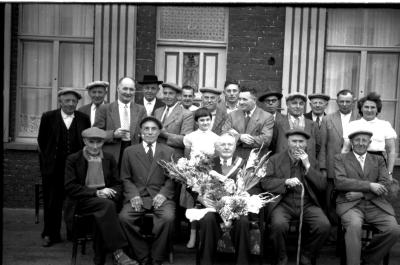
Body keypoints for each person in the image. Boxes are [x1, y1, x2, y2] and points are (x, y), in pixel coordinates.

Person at [64, 127, 137, 265]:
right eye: (91, 142)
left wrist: (109, 191)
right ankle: (118, 251)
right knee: (106, 207)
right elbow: (70, 187)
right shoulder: (73, 159)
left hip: (104, 201)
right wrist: (96, 193)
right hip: (81, 201)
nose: (95, 146)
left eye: (99, 142)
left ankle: (99, 258)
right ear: (84, 141)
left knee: (102, 211)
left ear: (103, 142)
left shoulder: (109, 158)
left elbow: (118, 184)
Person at [261, 129, 330, 265]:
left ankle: (307, 254)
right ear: (288, 142)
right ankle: (281, 257)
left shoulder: (312, 161)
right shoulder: (275, 159)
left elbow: (322, 186)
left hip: (307, 204)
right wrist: (284, 182)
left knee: (324, 225)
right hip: (282, 204)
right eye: (294, 141)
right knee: (278, 225)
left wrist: (308, 166)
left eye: (301, 142)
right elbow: (265, 182)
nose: (297, 145)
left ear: (306, 144)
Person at [334, 127, 400, 265]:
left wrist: (362, 194)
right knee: (354, 225)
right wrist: (370, 186)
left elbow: (385, 184)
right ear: (351, 142)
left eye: (364, 140)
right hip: (349, 204)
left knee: (394, 230)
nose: (361, 143)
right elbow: (340, 182)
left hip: (375, 204)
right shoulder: (340, 158)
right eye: (357, 140)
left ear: (369, 143)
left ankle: (368, 258)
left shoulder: (378, 159)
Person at [119, 117, 176, 265]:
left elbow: (172, 178)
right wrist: (133, 195)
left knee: (168, 218)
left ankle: (157, 257)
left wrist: (163, 194)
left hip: (160, 196)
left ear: (159, 132)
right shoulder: (129, 151)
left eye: (154, 129)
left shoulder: (169, 151)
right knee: (124, 219)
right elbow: (125, 178)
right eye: (146, 129)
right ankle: (142, 254)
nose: (150, 132)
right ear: (140, 131)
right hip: (138, 196)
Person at [197, 132, 261, 265]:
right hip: (213, 208)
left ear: (234, 147)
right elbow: (195, 185)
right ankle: (206, 261)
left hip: (237, 208)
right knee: (208, 220)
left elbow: (252, 187)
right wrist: (201, 198)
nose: (226, 147)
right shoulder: (208, 164)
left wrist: (241, 200)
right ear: (217, 147)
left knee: (243, 221)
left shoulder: (244, 164)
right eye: (223, 144)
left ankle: (242, 262)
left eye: (230, 144)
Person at [37, 88, 91, 247]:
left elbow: (86, 141)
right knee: (52, 201)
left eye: (74, 101)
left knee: (74, 200)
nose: (70, 104)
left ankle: (74, 233)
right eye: (67, 100)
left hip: (75, 168)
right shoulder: (48, 117)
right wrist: (48, 163)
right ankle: (50, 234)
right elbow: (42, 141)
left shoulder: (83, 118)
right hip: (53, 168)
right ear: (60, 101)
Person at [318, 89, 358, 224]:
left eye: (348, 101)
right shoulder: (327, 119)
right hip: (332, 167)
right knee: (330, 201)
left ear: (353, 102)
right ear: (337, 102)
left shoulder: (360, 119)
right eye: (341, 101)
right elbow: (322, 145)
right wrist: (323, 168)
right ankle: (332, 234)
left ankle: (346, 231)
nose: (344, 104)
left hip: (353, 168)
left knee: (349, 201)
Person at [182, 107, 220, 248]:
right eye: (202, 120)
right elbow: (187, 157)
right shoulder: (190, 137)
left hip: (209, 176)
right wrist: (191, 173)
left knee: (207, 203)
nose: (205, 122)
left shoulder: (216, 138)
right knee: (193, 205)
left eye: (208, 120)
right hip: (193, 176)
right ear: (197, 122)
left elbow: (216, 159)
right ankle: (192, 236)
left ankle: (206, 237)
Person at [94, 77, 147, 167]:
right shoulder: (105, 109)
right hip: (112, 155)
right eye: (125, 88)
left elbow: (144, 133)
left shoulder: (141, 109)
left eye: (131, 89)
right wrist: (113, 134)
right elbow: (96, 134)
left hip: (134, 155)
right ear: (118, 89)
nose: (128, 92)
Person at [342, 92, 397, 177]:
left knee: (379, 188)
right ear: (361, 109)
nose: (369, 110)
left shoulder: (385, 125)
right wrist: (342, 171)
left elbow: (391, 151)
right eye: (366, 107)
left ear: (377, 109)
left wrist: (389, 173)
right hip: (356, 161)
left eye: (373, 107)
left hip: (378, 162)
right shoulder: (352, 125)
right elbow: (346, 149)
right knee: (356, 187)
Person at [222, 86, 274, 158]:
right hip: (235, 159)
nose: (241, 102)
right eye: (239, 99)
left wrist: (239, 139)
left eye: (244, 99)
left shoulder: (267, 117)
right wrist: (240, 137)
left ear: (254, 100)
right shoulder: (232, 115)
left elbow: (266, 140)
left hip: (256, 159)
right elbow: (224, 133)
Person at [271, 92, 320, 159]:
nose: (298, 106)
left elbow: (318, 148)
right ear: (287, 105)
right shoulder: (278, 124)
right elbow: (272, 146)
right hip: (283, 164)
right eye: (294, 103)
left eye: (301, 103)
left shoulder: (313, 125)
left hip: (306, 165)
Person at [154, 83, 194, 157]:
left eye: (171, 93)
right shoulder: (157, 111)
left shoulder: (186, 114)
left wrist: (165, 134)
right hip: (155, 155)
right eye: (165, 93)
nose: (167, 96)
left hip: (173, 157)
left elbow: (186, 141)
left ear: (178, 96)